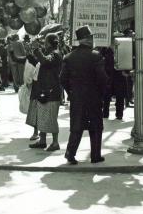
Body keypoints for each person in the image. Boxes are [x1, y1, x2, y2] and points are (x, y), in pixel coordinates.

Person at [60, 25, 108, 164]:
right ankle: (95, 155)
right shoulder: (96, 56)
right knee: (96, 127)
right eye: (91, 37)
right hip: (93, 97)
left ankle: (70, 153)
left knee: (76, 126)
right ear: (88, 39)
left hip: (77, 98)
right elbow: (102, 78)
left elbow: (62, 79)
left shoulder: (68, 57)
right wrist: (100, 92)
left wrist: (72, 92)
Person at [27, 33, 62, 152]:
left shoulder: (56, 54)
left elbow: (45, 61)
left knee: (51, 117)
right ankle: (42, 141)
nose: (44, 44)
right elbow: (39, 61)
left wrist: (37, 49)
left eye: (46, 42)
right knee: (42, 116)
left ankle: (55, 142)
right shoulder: (49, 53)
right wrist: (30, 52)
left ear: (50, 43)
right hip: (45, 90)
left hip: (52, 91)